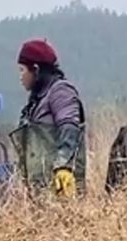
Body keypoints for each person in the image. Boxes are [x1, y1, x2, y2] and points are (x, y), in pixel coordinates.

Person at [13, 38, 87, 199]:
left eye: (22, 70)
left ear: (36, 69)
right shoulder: (36, 101)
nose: (20, 77)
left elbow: (69, 126)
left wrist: (63, 167)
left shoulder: (61, 92)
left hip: (62, 188)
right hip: (41, 194)